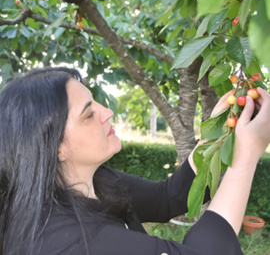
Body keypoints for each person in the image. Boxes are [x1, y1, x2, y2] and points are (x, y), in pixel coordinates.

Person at [0, 67, 269, 255]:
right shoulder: (66, 242)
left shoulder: (98, 181)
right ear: (56, 147)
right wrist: (246, 157)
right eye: (88, 113)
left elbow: (168, 197)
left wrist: (216, 135)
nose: (107, 112)